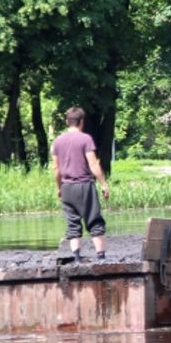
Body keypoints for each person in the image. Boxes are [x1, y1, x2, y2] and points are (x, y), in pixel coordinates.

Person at [51, 106, 109, 260]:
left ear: (66, 122)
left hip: (67, 186)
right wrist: (103, 184)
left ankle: (77, 257)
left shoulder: (57, 141)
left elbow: (56, 168)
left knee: (72, 222)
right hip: (84, 185)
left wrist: (59, 188)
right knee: (94, 219)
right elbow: (93, 164)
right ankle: (101, 257)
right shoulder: (85, 139)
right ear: (81, 121)